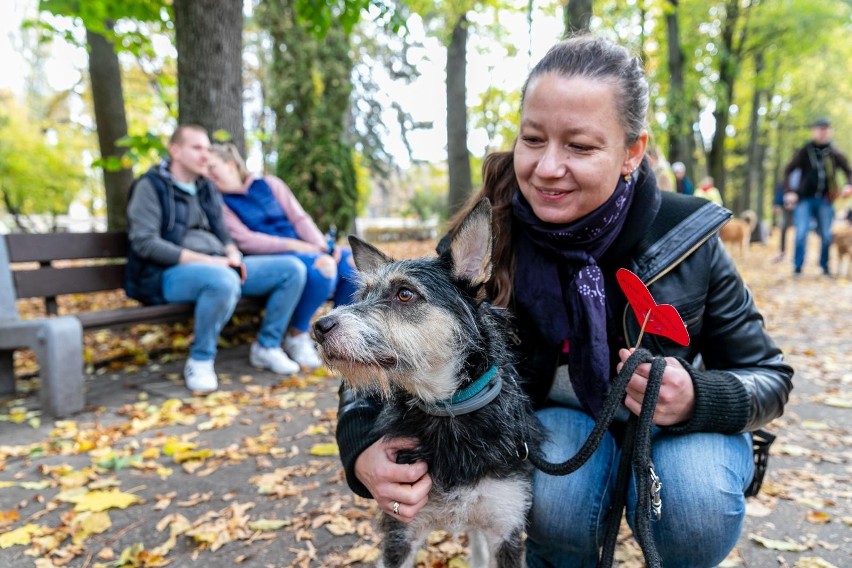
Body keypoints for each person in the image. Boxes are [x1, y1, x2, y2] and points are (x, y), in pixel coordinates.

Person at [335, 36, 794, 567]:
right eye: (533, 139)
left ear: (632, 152)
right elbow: (383, 339)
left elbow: (768, 374)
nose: (548, 167)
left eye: (579, 146)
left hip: (677, 430)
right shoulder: (483, 240)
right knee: (557, 495)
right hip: (554, 425)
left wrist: (698, 396)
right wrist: (361, 447)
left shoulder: (686, 236)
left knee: (697, 504)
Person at [126, 125, 309, 392]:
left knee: (291, 269)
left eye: (208, 148)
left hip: (219, 265)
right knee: (223, 281)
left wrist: (232, 253)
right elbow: (145, 243)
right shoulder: (150, 186)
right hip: (165, 273)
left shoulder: (204, 188)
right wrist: (210, 262)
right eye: (197, 148)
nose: (205, 155)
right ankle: (200, 360)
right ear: (175, 150)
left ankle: (267, 346)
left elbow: (223, 233)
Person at [206, 143, 359, 369]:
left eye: (212, 168)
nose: (207, 175)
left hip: (306, 248)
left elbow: (299, 219)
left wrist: (321, 245)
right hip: (272, 257)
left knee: (350, 262)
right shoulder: (219, 202)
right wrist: (298, 247)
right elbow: (245, 239)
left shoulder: (270, 184)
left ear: (230, 164)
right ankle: (297, 335)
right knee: (323, 266)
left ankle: (343, 335)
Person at [783, 117, 852, 276]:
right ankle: (798, 267)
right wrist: (789, 192)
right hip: (804, 199)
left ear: (830, 131)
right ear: (814, 131)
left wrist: (849, 185)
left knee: (827, 235)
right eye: (820, 129)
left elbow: (849, 170)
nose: (823, 133)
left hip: (826, 199)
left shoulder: (834, 152)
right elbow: (788, 170)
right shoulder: (804, 151)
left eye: (826, 129)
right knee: (801, 233)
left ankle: (824, 267)